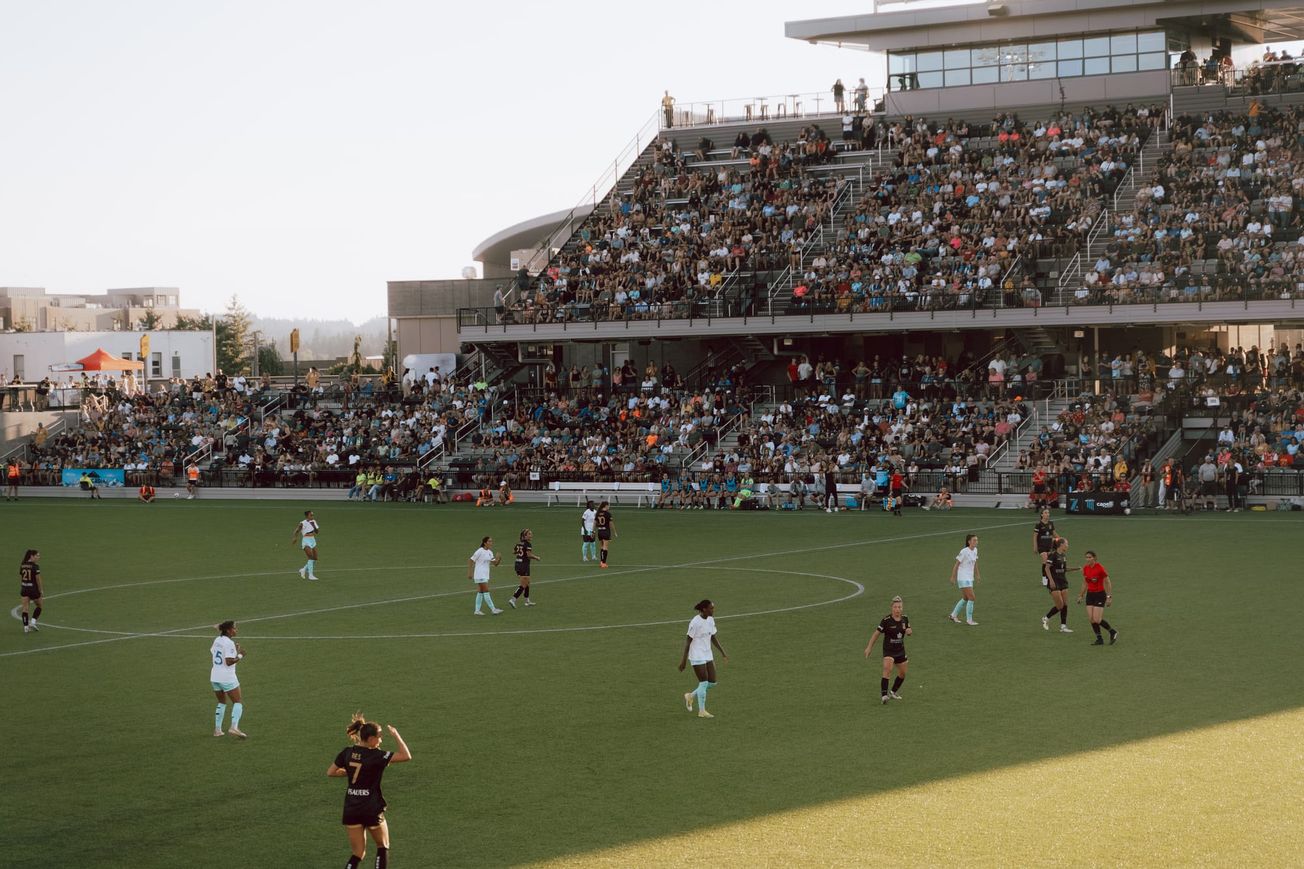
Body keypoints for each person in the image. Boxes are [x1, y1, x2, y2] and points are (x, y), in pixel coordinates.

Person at [327, 714, 413, 869]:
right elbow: (406, 756)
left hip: (351, 808)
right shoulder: (377, 755)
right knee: (383, 846)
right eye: (379, 737)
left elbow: (331, 772)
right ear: (371, 739)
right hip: (371, 808)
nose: (380, 740)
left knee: (358, 854)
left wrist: (349, 772)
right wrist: (396, 735)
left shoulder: (347, 752)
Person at [678, 599, 727, 719]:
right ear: (704, 609)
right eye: (711, 608)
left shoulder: (710, 620)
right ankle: (702, 711)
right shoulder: (695, 623)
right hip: (696, 655)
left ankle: (690, 696)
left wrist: (723, 652)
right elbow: (687, 642)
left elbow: (713, 637)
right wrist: (684, 660)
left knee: (712, 682)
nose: (713, 610)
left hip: (707, 654)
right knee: (704, 682)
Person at [864, 595, 911, 704]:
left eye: (899, 607)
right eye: (895, 607)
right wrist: (869, 647)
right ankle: (884, 695)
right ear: (891, 608)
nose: (897, 609)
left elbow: (908, 629)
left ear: (902, 608)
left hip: (900, 650)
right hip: (889, 650)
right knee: (887, 668)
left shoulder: (905, 618)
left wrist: (909, 631)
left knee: (903, 673)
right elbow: (876, 634)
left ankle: (893, 692)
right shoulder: (886, 620)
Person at [210, 620, 248, 738]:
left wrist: (234, 651)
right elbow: (229, 661)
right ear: (228, 630)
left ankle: (217, 730)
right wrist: (240, 655)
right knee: (238, 702)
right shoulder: (228, 643)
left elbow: (216, 654)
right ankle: (234, 727)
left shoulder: (217, 640)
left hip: (215, 676)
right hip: (227, 677)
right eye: (234, 628)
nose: (236, 630)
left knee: (221, 702)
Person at [1077, 549, 1118, 645]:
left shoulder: (1100, 568)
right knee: (1091, 619)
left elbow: (1107, 582)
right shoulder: (1086, 568)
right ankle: (1099, 639)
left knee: (1097, 619)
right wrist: (1081, 595)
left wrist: (1109, 596)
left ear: (1094, 558)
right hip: (1090, 595)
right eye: (1086, 557)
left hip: (1100, 595)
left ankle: (1113, 632)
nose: (1088, 559)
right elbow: (1085, 582)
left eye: (1090, 557)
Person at [1042, 538, 1077, 633]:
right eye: (1067, 543)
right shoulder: (1053, 555)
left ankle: (1063, 626)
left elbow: (1064, 569)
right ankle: (1046, 618)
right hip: (1055, 582)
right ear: (1061, 544)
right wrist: (1051, 581)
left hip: (1063, 582)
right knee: (1060, 605)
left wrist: (1075, 568)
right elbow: (1047, 568)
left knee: (1065, 605)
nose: (1068, 545)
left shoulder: (1063, 556)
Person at [948, 534, 981, 626]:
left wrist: (977, 574)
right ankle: (969, 620)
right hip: (963, 577)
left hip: (969, 577)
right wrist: (953, 577)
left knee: (966, 598)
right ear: (969, 541)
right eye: (974, 540)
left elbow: (975, 563)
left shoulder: (975, 550)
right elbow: (956, 564)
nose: (976, 542)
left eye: (977, 540)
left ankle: (953, 615)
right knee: (972, 597)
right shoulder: (964, 551)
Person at [468, 535, 503, 615]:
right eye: (489, 541)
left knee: (480, 592)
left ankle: (477, 610)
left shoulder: (490, 552)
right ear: (485, 543)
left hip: (485, 575)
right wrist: (470, 572)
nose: (491, 543)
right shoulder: (480, 551)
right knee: (486, 591)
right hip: (479, 575)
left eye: (491, 541)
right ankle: (493, 609)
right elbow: (470, 560)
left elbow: (495, 564)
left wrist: (499, 559)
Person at [509, 528, 540, 608]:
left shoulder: (519, 543)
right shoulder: (528, 544)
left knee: (527, 582)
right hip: (524, 565)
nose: (531, 535)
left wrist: (520, 552)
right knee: (524, 584)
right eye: (529, 534)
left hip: (518, 564)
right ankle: (513, 599)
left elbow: (513, 551)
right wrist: (536, 557)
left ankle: (527, 601)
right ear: (525, 536)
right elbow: (529, 555)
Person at [19, 549, 42, 633]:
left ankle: (25, 628)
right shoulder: (35, 566)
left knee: (25, 609)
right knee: (39, 605)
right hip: (33, 590)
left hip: (24, 588)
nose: (38, 557)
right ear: (32, 556)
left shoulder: (23, 565)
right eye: (37, 556)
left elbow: (21, 577)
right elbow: (38, 580)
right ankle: (32, 622)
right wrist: (40, 590)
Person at [293, 509, 321, 581]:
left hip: (312, 540)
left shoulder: (313, 522)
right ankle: (310, 575)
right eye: (311, 515)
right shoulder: (302, 523)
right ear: (307, 516)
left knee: (315, 558)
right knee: (310, 557)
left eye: (313, 515)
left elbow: (317, 532)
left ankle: (304, 569)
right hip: (306, 540)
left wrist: (314, 525)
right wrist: (295, 538)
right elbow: (296, 531)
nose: (312, 516)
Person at [1032, 507, 1057, 584]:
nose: (1047, 514)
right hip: (1041, 546)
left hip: (1050, 546)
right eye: (1045, 513)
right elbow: (1035, 536)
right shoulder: (1038, 525)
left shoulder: (1051, 523)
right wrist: (1035, 546)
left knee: (1049, 562)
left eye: (1048, 513)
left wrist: (1061, 540)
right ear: (1042, 515)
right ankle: (1044, 578)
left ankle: (1049, 577)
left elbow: (1054, 534)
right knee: (1045, 561)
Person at [595, 500, 615, 568]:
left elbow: (595, 523)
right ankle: (604, 563)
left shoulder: (598, 513)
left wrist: (592, 531)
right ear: (606, 506)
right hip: (606, 531)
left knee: (601, 547)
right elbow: (611, 524)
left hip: (600, 532)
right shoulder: (608, 514)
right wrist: (614, 531)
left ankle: (601, 561)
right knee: (605, 547)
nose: (609, 507)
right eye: (608, 505)